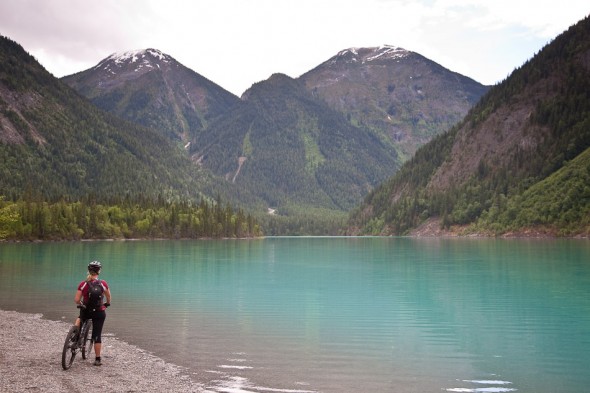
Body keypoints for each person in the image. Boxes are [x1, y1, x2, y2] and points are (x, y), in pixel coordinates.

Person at [74, 260, 112, 366]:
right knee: (97, 335)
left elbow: (77, 299)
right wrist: (107, 304)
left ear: (88, 270)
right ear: (99, 271)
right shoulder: (103, 284)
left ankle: (74, 335)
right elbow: (108, 297)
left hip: (86, 311)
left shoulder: (83, 284)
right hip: (99, 312)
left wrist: (82, 304)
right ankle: (97, 359)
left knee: (80, 317)